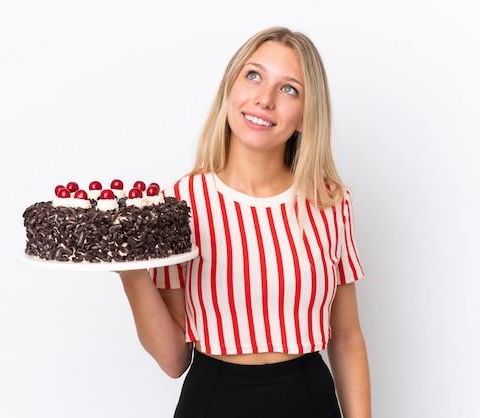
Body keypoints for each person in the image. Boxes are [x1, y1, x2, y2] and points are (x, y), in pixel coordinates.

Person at [117, 26, 371, 418]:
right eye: (254, 75)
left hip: (309, 399)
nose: (264, 99)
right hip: (213, 399)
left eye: (290, 89)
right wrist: (130, 272)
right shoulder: (180, 204)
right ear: (229, 89)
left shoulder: (330, 202)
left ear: (306, 115)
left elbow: (348, 338)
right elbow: (173, 361)